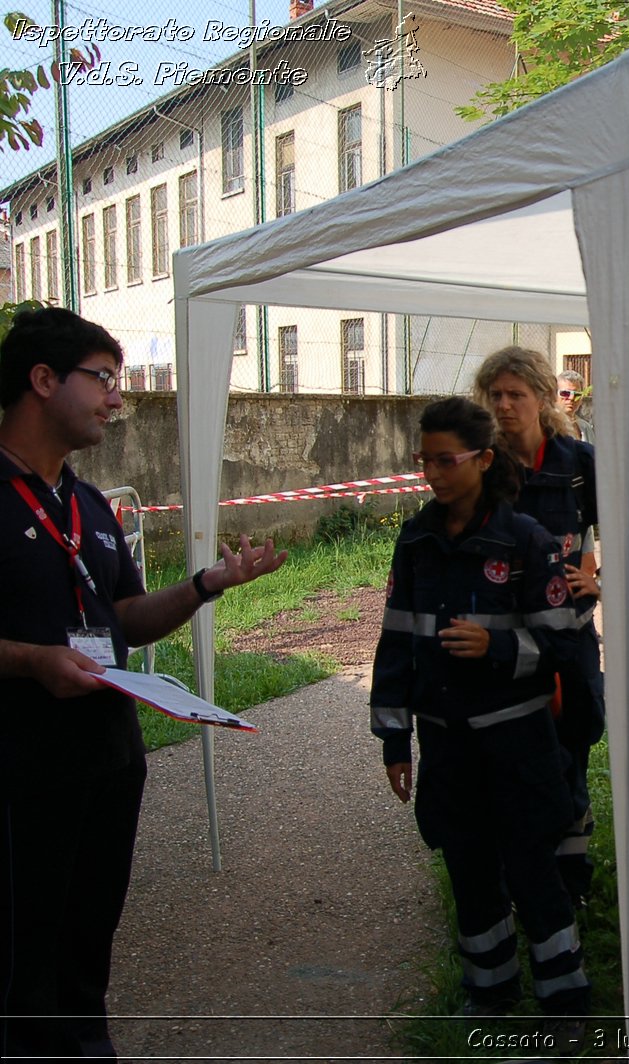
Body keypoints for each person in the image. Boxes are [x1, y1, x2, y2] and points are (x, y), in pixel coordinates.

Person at [0, 307, 287, 1061]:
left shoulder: (90, 504)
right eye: (104, 379)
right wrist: (32, 661)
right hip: (21, 776)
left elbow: (124, 618)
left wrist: (206, 583)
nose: (117, 399)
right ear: (41, 380)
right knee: (21, 961)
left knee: (87, 947)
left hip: (106, 763)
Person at [370, 397, 591, 1028]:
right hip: (448, 749)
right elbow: (396, 643)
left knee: (532, 872)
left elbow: (563, 643)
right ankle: (491, 993)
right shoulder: (416, 540)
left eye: (446, 460)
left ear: (484, 459)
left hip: (517, 747)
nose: (433, 474)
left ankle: (564, 1003)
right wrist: (394, 740)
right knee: (468, 870)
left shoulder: (527, 542)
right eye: (424, 461)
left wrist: (496, 647)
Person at [474, 348, 604, 905]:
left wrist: (604, 583)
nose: (504, 405)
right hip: (506, 643)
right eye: (495, 395)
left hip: (568, 638)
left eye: (515, 394)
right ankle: (516, 879)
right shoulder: (483, 466)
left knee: (570, 748)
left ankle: (571, 883)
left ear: (543, 398)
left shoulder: (579, 464)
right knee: (511, 758)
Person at [556, 370, 595, 443]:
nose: (571, 398)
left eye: (577, 394)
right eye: (565, 393)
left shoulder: (586, 428)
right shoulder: (546, 427)